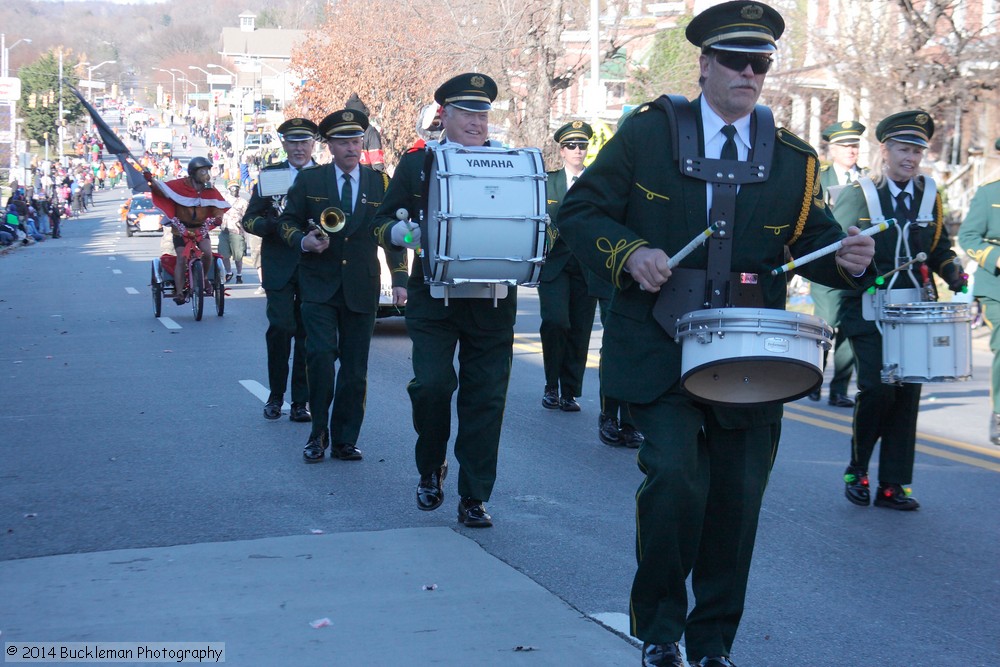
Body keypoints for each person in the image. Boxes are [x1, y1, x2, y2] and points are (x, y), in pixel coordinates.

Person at [554, 3, 876, 665]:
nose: (751, 73)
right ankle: (662, 631)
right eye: (737, 60)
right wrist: (630, 251)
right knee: (673, 481)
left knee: (737, 503)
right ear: (704, 64)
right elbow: (580, 210)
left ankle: (711, 644)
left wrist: (846, 256)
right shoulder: (648, 135)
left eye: (761, 63)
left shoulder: (792, 157)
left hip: (753, 354)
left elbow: (811, 242)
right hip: (661, 344)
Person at [372, 73, 512, 529]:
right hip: (434, 294)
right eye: (467, 112)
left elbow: (534, 219)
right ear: (445, 116)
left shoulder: (510, 163)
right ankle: (431, 467)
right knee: (431, 387)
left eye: (482, 113)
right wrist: (406, 232)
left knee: (485, 399)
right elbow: (381, 222)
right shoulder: (418, 164)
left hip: (492, 299)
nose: (476, 121)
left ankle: (474, 495)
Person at [834, 110, 965, 511]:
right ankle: (858, 469)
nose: (911, 158)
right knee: (877, 390)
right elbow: (836, 251)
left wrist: (953, 272)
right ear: (885, 150)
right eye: (904, 149)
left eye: (917, 151)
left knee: (907, 394)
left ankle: (893, 484)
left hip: (915, 313)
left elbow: (939, 248)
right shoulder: (861, 193)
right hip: (869, 309)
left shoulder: (930, 193)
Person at [279, 110, 407, 464]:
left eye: (357, 141)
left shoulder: (379, 182)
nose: (352, 148)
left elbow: (393, 234)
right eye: (345, 142)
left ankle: (345, 439)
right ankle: (318, 431)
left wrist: (399, 280)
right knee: (320, 358)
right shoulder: (310, 181)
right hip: (318, 286)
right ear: (330, 145)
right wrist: (304, 241)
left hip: (361, 286)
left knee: (355, 369)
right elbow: (287, 222)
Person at [243, 118, 319, 423]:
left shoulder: (324, 175)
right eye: (292, 142)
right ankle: (275, 395)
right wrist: (272, 225)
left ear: (314, 144)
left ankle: (301, 401)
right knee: (281, 330)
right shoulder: (271, 174)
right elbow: (248, 220)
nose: (298, 148)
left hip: (314, 267)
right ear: (283, 144)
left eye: (304, 142)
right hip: (279, 266)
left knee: (307, 335)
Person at [539, 121, 598, 413]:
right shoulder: (548, 182)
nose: (578, 150)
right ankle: (551, 384)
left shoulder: (597, 183)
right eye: (572, 146)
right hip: (555, 265)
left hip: (586, 266)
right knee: (556, 321)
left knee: (580, 329)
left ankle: (570, 391)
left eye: (582, 145)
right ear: (561, 150)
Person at [808, 120, 867, 406]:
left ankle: (840, 388)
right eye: (845, 145)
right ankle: (814, 377)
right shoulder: (818, 178)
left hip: (858, 263)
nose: (851, 150)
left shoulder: (868, 181)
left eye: (855, 145)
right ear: (832, 149)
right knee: (828, 324)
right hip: (826, 264)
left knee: (849, 328)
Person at [957, 140, 1000, 447]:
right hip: (995, 284)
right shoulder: (989, 192)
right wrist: (995, 258)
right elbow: (968, 236)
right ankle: (999, 413)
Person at [146, 156, 230, 304]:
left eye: (207, 171)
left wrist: (218, 217)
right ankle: (179, 292)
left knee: (208, 253)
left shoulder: (209, 188)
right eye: (203, 171)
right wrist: (151, 182)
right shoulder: (179, 185)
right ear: (193, 173)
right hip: (181, 229)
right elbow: (161, 190)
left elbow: (217, 207)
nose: (206, 174)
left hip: (200, 228)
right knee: (181, 258)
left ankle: (203, 277)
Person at [219, 180, 249, 284]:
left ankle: (239, 275)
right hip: (224, 230)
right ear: (229, 189)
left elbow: (247, 217)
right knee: (223, 254)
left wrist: (244, 230)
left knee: (238, 256)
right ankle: (229, 272)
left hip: (236, 230)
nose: (234, 190)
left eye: (236, 188)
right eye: (232, 188)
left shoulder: (243, 202)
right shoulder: (224, 199)